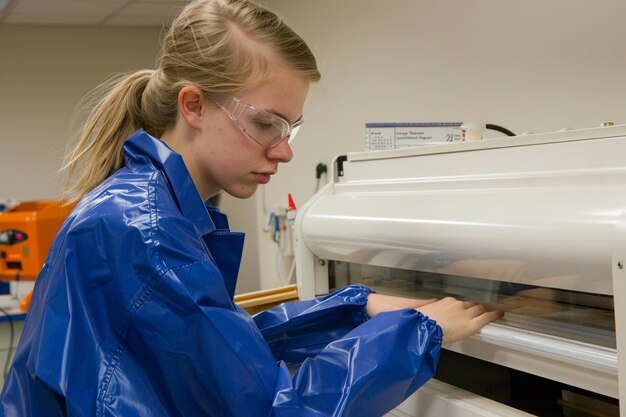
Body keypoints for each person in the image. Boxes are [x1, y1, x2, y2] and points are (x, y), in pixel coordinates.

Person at [0, 1, 502, 416]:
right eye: (267, 125)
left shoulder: (145, 207)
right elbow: (270, 408)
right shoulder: (146, 234)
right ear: (193, 105)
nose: (285, 152)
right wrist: (421, 332)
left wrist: (354, 308)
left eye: (291, 129)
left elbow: (223, 353)